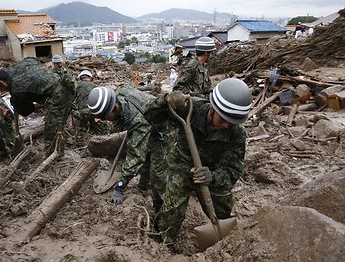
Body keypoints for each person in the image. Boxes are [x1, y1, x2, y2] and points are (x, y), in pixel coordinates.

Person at [144, 78, 252, 244]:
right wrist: (166, 101)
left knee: (223, 211)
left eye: (231, 123)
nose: (225, 126)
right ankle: (165, 242)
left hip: (211, 171)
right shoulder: (189, 108)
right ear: (213, 108)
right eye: (222, 119)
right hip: (182, 163)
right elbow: (149, 115)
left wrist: (213, 177)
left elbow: (232, 171)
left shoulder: (236, 134)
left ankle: (223, 243)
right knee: (171, 210)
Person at [0, 57, 76, 157]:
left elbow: (26, 111)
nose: (3, 91)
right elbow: (34, 60)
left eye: (1, 89)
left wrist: (16, 102)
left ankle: (56, 159)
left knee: (52, 132)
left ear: (1, 83)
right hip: (68, 83)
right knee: (58, 124)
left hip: (59, 96)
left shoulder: (17, 91)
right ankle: (59, 151)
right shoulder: (22, 64)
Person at [87, 84, 154, 204]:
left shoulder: (138, 122)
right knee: (144, 149)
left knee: (150, 155)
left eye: (106, 117)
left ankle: (147, 188)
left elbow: (136, 156)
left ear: (115, 107)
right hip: (145, 118)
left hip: (165, 127)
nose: (106, 120)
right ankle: (143, 186)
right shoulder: (118, 93)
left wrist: (120, 185)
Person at [71, 69, 106, 143]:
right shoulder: (96, 87)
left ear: (81, 78)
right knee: (99, 129)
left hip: (81, 113)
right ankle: (103, 141)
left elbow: (72, 100)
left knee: (79, 128)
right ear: (90, 78)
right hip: (93, 112)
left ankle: (79, 146)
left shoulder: (77, 86)